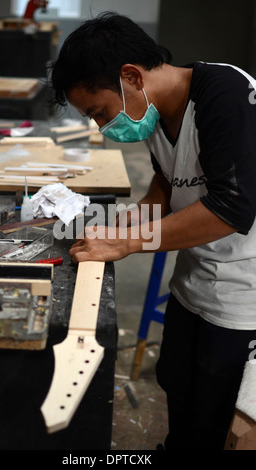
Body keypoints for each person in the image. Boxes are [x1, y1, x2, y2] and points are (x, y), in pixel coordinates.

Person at [50, 12, 256, 450]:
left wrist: (125, 243)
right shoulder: (156, 111)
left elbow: (231, 208)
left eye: (98, 111)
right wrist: (125, 221)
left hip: (245, 296)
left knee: (217, 417)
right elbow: (169, 182)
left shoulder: (227, 93)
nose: (101, 126)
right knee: (179, 386)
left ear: (131, 76)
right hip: (195, 281)